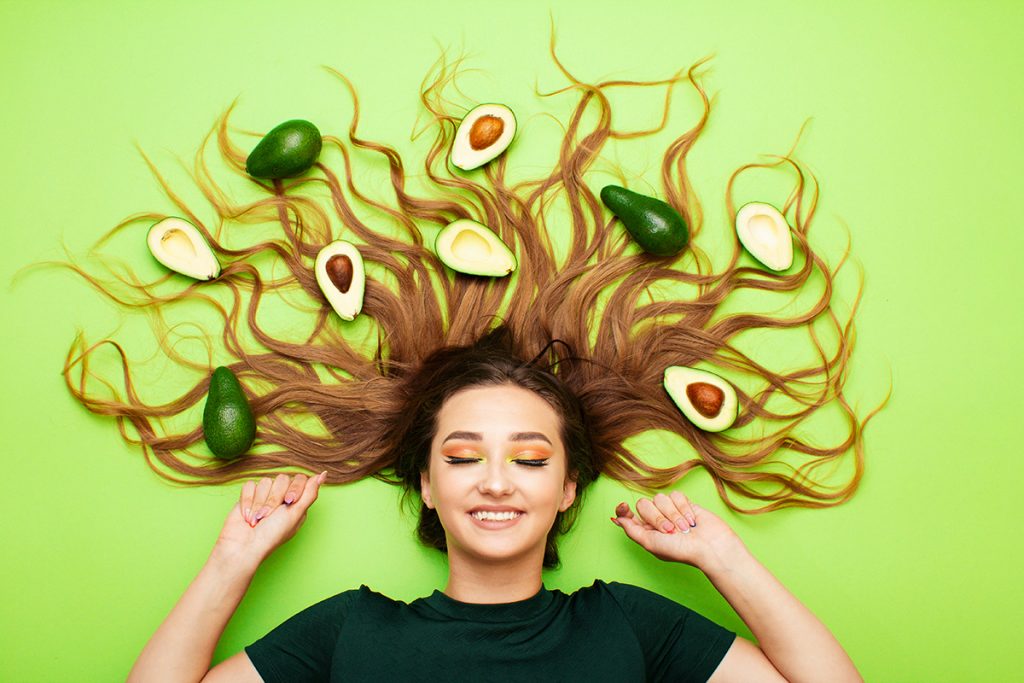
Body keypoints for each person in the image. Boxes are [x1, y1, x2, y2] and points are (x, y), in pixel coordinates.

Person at [126, 327, 864, 682]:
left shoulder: (628, 624)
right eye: (463, 455)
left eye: (532, 458)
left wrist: (721, 555)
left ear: (569, 486)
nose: (497, 480)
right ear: (426, 482)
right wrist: (235, 558)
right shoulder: (350, 630)